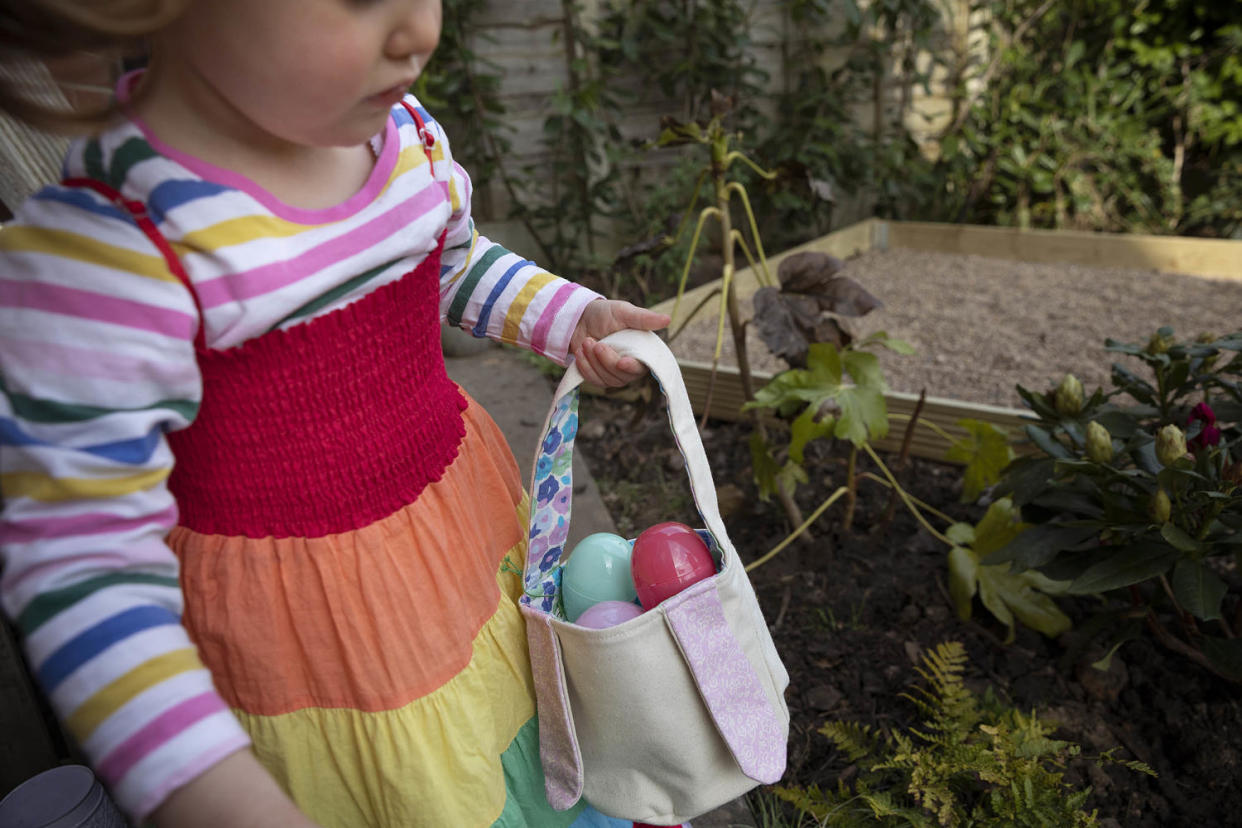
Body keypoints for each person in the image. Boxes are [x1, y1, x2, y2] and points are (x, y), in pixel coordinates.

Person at [0, 1, 674, 826]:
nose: (418, 30)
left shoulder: (405, 139)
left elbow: (449, 265)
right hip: (315, 642)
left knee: (505, 733)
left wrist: (570, 317)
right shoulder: (116, 251)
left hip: (460, 534)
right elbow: (81, 568)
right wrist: (205, 789)